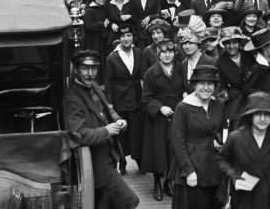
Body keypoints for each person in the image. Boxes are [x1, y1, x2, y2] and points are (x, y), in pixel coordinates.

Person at [65, 50, 139, 209]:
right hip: (97, 165)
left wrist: (118, 120)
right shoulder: (72, 96)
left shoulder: (94, 86)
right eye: (85, 68)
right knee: (129, 201)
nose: (90, 73)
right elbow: (78, 134)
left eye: (94, 68)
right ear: (76, 69)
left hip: (109, 158)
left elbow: (107, 109)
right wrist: (106, 131)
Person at [216, 92, 270, 209]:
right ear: (250, 116)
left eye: (266, 114)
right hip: (245, 197)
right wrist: (234, 175)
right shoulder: (236, 137)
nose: (262, 119)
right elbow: (221, 159)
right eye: (258, 114)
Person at [170, 65, 225, 209]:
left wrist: (218, 141)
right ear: (194, 85)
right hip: (193, 166)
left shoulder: (218, 105)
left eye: (210, 84)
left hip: (213, 168)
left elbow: (221, 130)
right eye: (202, 83)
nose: (206, 87)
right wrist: (189, 171)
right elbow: (178, 141)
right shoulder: (183, 107)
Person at [142, 39, 185, 201]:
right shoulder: (151, 73)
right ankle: (157, 183)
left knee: (173, 149)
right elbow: (145, 99)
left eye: (170, 52)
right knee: (158, 151)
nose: (167, 55)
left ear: (174, 53)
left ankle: (169, 180)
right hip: (158, 118)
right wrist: (160, 107)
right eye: (163, 52)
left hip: (177, 113)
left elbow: (186, 89)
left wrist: (183, 98)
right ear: (158, 54)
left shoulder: (180, 69)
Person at [105, 25, 144, 174]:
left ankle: (140, 160)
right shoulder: (112, 57)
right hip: (120, 100)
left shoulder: (138, 52)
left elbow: (142, 74)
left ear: (133, 37)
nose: (126, 39)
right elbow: (108, 82)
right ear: (119, 39)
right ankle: (122, 162)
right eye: (123, 36)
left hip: (136, 98)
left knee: (137, 132)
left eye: (129, 35)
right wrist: (109, 103)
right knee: (121, 133)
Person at [215, 27, 253, 130]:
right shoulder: (221, 61)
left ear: (239, 42)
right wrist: (224, 92)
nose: (231, 46)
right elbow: (222, 84)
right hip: (236, 99)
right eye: (227, 43)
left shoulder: (249, 55)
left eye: (234, 42)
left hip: (253, 96)